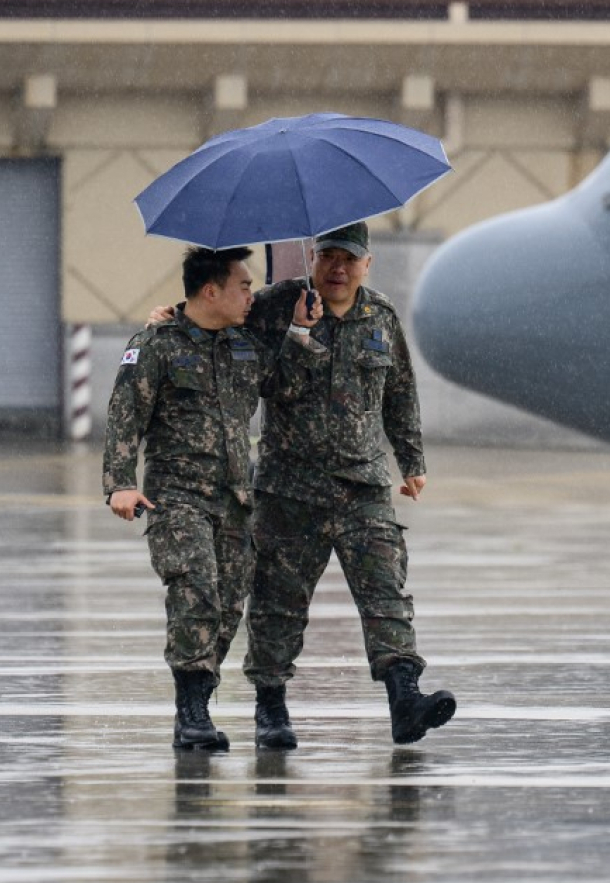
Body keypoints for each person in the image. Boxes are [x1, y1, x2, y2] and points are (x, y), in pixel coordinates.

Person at [152, 221, 455, 749]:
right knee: (276, 607)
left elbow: (400, 391)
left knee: (386, 591)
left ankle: (405, 697)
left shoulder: (380, 317)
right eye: (329, 256)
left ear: (367, 263)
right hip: (290, 488)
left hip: (363, 486)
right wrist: (173, 318)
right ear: (312, 257)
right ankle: (270, 706)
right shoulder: (272, 306)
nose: (338, 268)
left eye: (350, 259)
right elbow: (219, 330)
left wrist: (412, 460)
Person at [105, 246, 319, 750]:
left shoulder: (243, 344)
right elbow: (124, 413)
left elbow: (283, 386)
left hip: (234, 499)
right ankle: (192, 714)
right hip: (176, 498)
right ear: (210, 291)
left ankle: (198, 701)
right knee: (195, 593)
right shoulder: (157, 344)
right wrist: (119, 482)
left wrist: (301, 330)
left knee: (226, 608)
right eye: (242, 286)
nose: (250, 294)